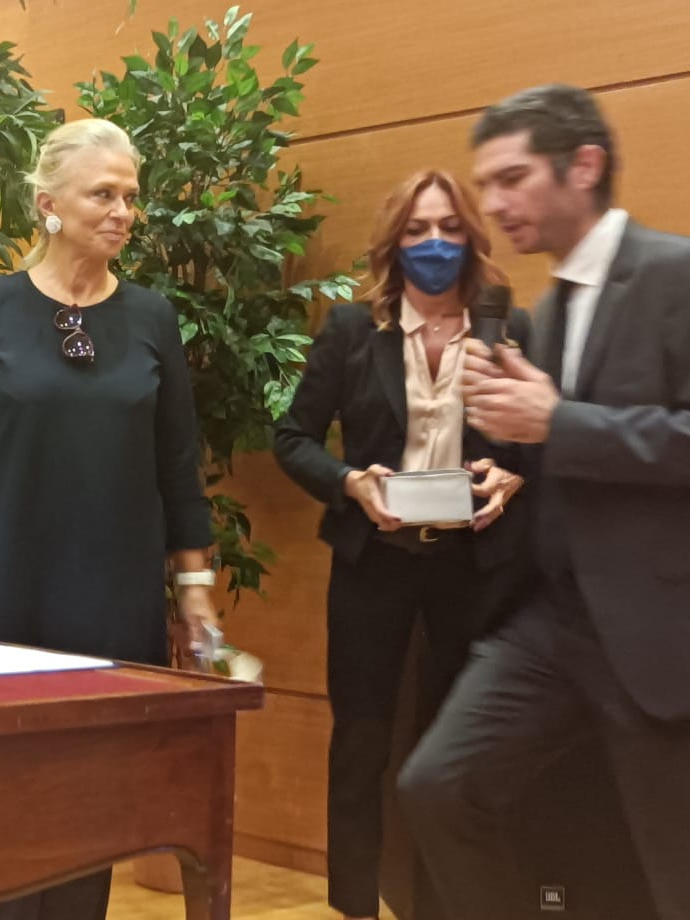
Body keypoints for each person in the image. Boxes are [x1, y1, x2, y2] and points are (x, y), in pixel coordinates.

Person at [0, 117, 218, 920]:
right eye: (102, 194)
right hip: (7, 588)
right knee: (0, 798)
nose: (122, 212)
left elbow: (178, 466)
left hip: (114, 601)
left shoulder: (151, 317)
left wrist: (194, 592)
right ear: (48, 205)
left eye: (130, 196)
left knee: (87, 808)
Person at [398, 84, 690, 920]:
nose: (492, 204)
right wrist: (516, 457)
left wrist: (559, 423)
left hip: (659, 633)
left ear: (583, 167)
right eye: (485, 183)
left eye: (512, 178)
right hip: (552, 625)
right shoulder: (550, 308)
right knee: (438, 786)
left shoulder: (677, 274)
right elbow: (570, 448)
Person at [273, 169, 530, 920]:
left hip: (471, 566)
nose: (435, 244)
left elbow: (540, 441)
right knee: (362, 742)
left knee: (451, 749)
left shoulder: (512, 330)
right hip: (374, 564)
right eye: (417, 230)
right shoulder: (353, 331)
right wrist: (351, 482)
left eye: (449, 228)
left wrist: (514, 474)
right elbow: (292, 438)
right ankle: (355, 906)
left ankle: (444, 906)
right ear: (395, 243)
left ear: (471, 238)